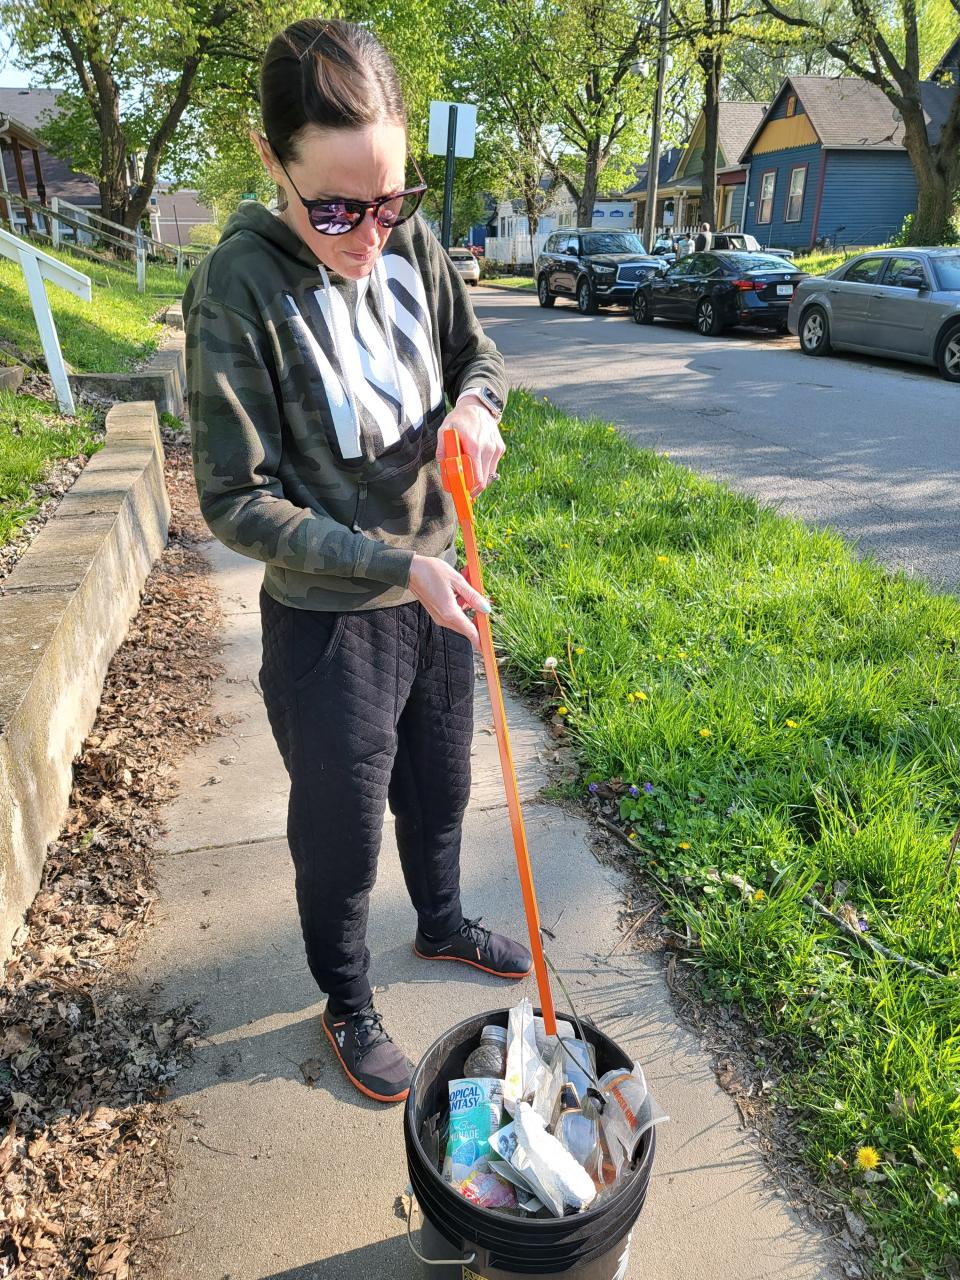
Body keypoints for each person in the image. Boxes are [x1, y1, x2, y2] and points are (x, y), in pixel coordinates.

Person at [182, 17, 531, 1105]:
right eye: (336, 206)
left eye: (389, 201)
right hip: (332, 614)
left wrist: (475, 406)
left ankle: (441, 920)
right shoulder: (238, 285)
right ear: (269, 157)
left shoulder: (407, 237)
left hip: (439, 578)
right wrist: (390, 565)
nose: (369, 233)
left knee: (441, 785)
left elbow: (478, 352)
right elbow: (236, 498)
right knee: (339, 823)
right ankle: (347, 998)